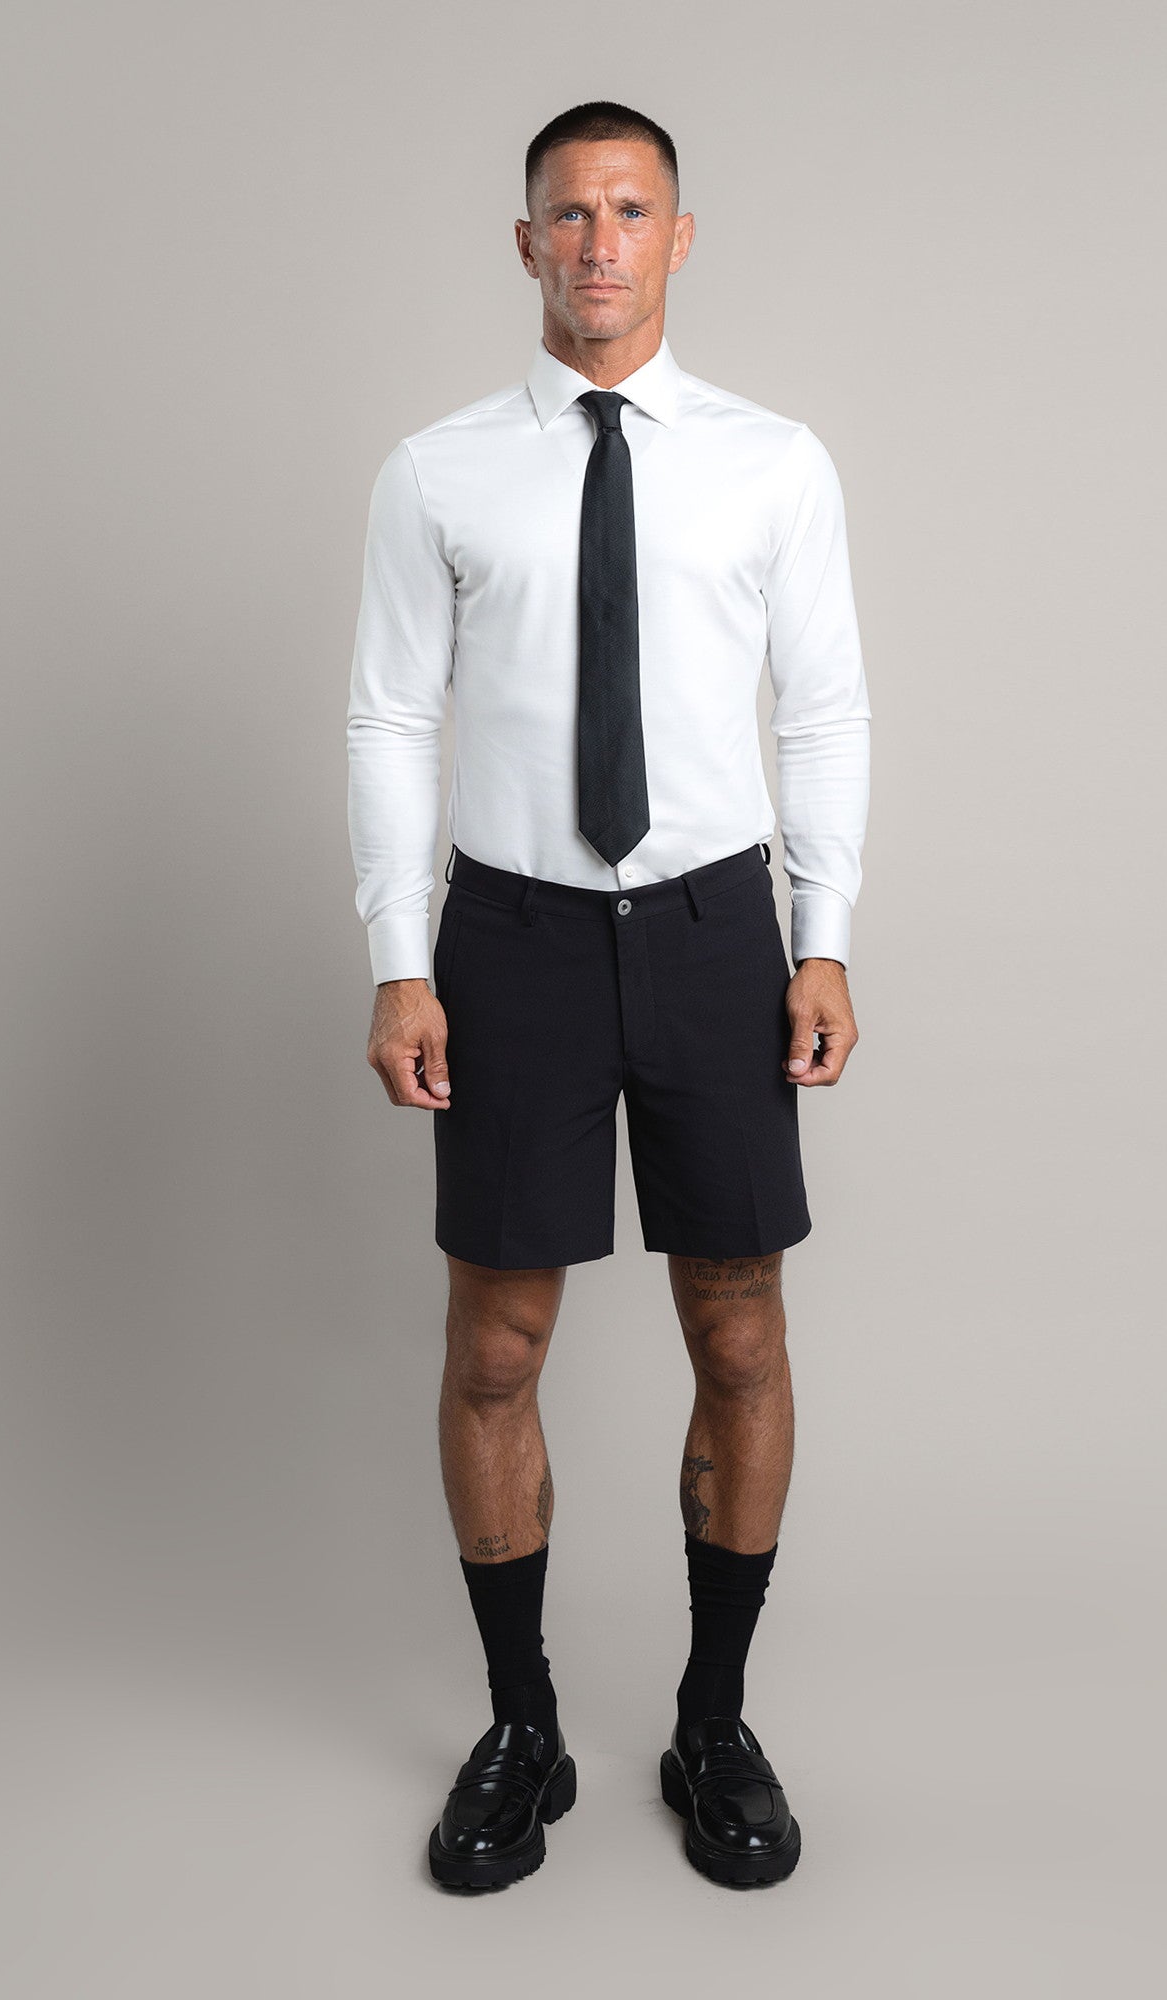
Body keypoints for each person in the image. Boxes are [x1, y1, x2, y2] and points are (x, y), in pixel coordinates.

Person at [345, 99, 870, 1890]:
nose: (598, 243)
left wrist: (824, 931)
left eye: (630, 210)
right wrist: (399, 959)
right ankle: (524, 1727)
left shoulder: (774, 464)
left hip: (717, 930)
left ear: (680, 237)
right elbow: (390, 717)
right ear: (526, 245)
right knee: (496, 1345)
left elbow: (824, 706)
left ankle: (714, 1720)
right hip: (516, 938)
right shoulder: (436, 472)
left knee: (741, 1331)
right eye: (568, 214)